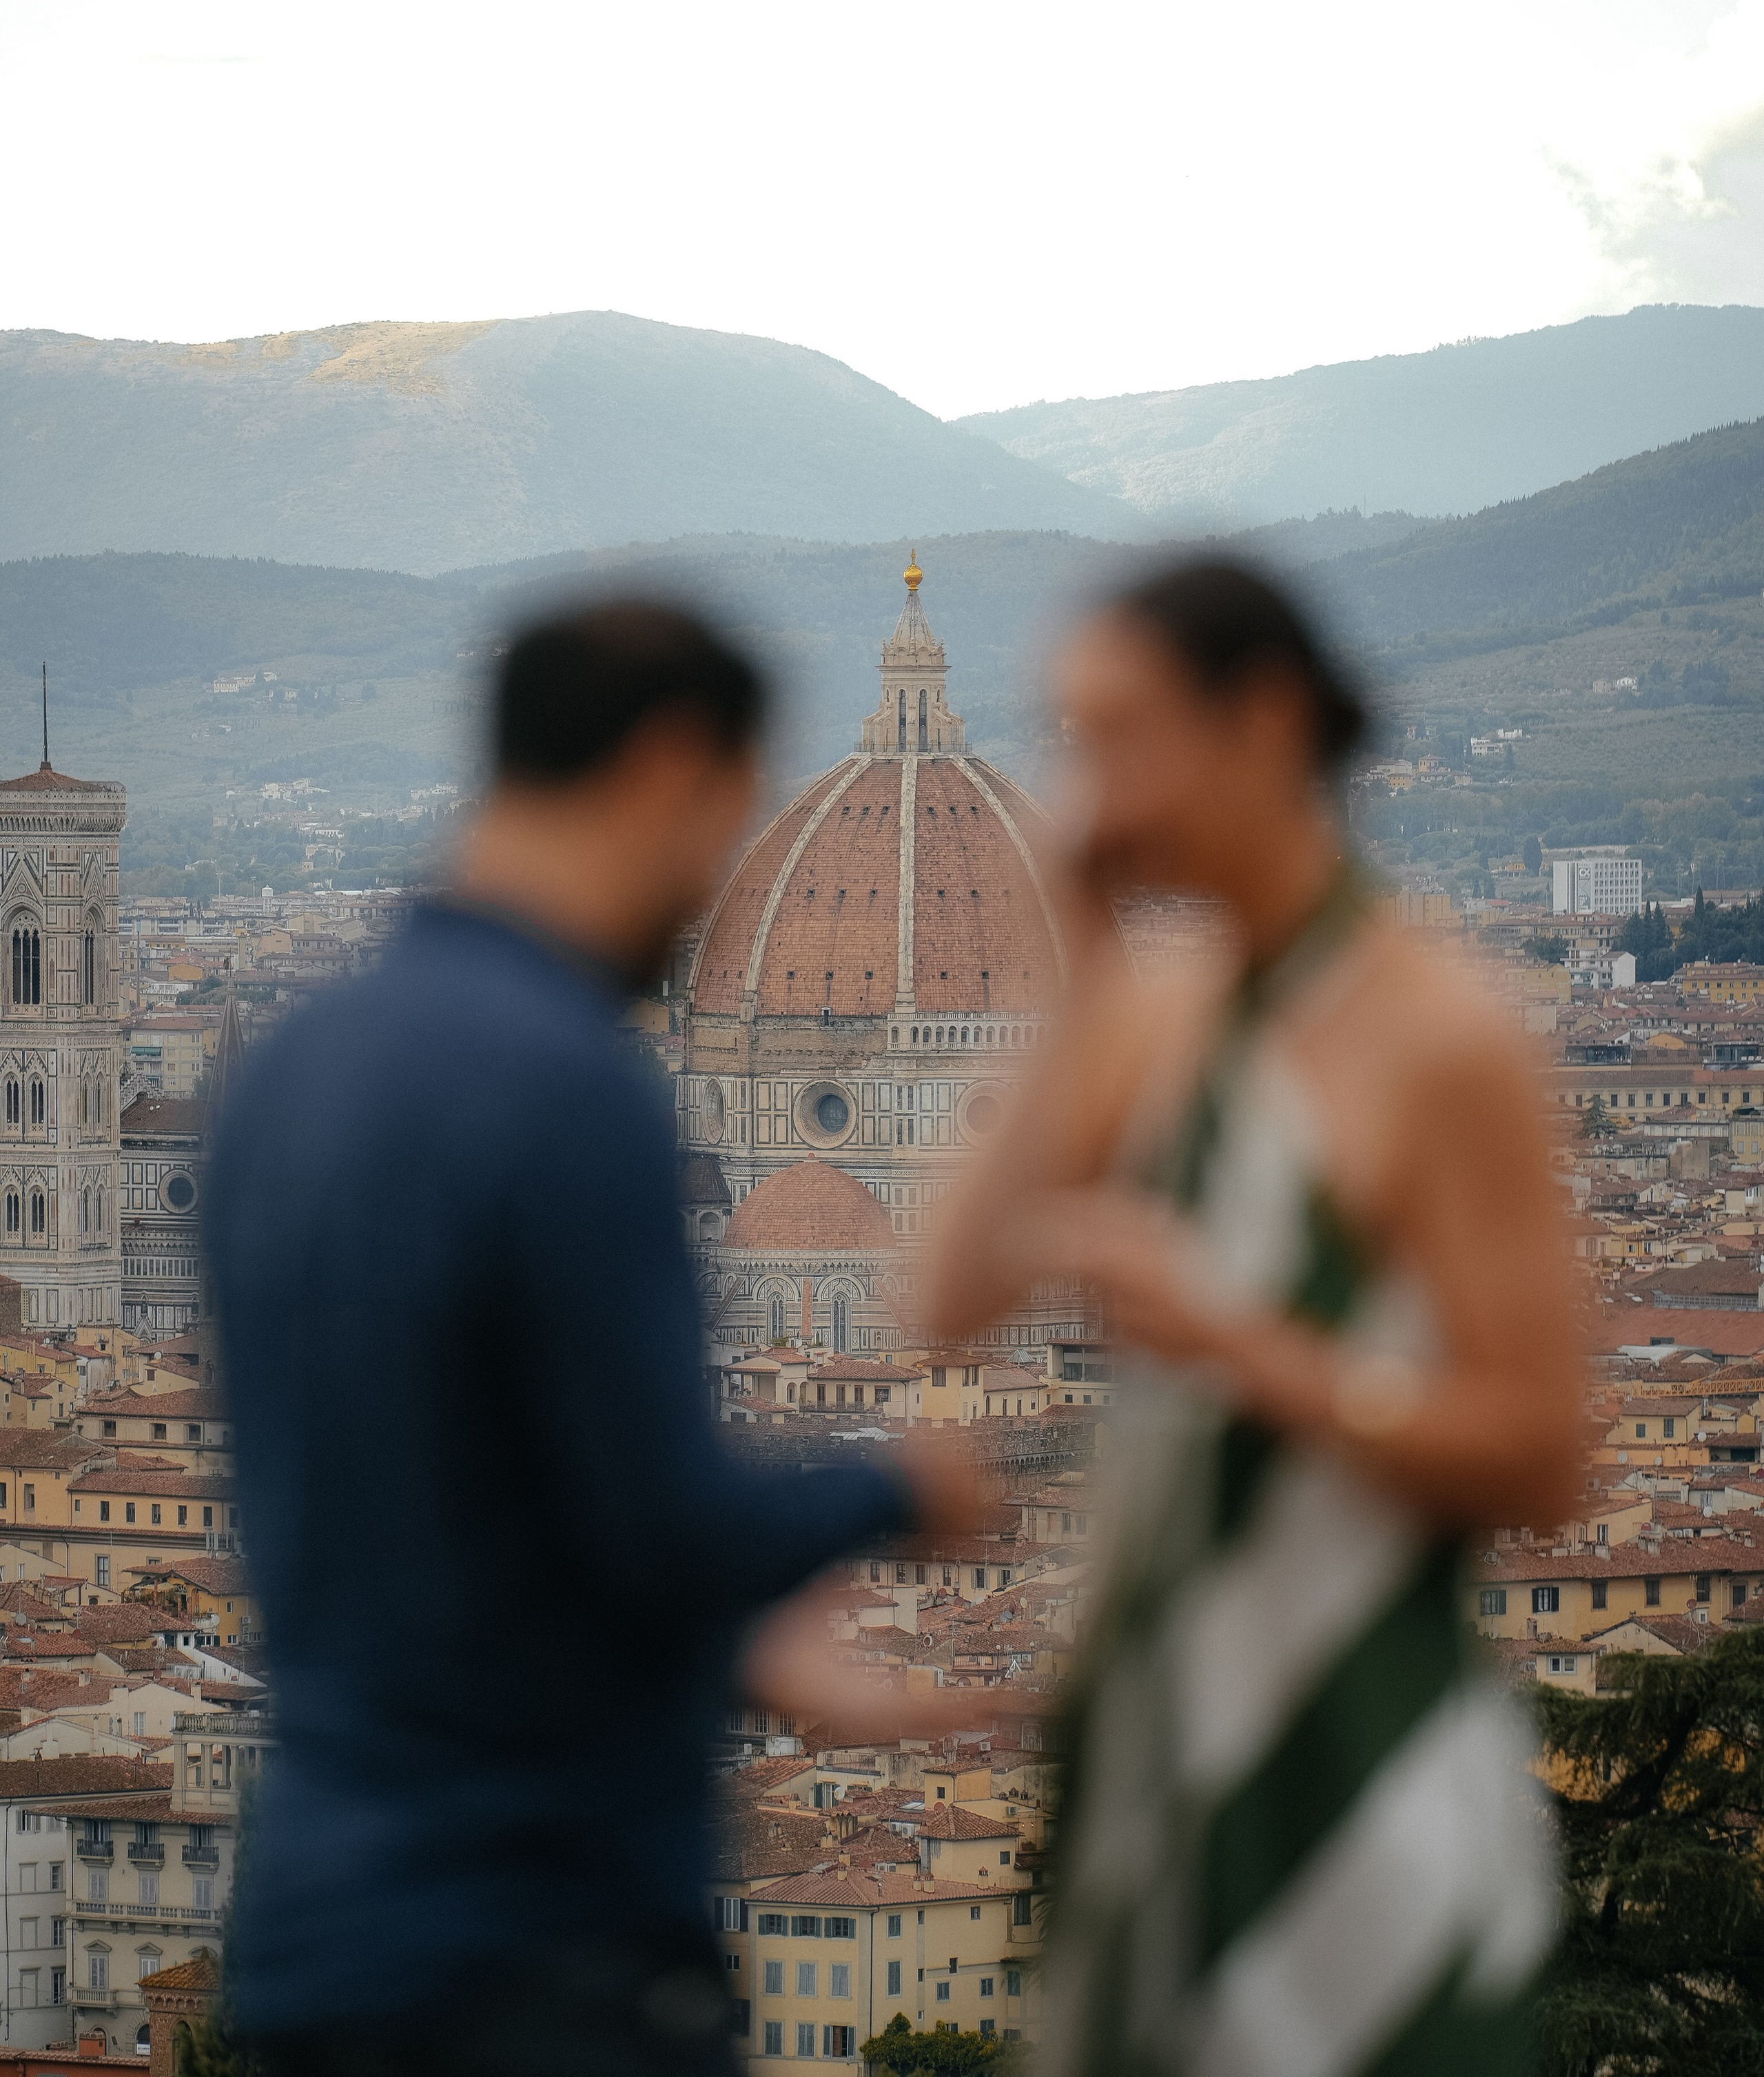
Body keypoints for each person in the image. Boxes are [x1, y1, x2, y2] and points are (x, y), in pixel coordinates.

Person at [206, 598, 970, 2077]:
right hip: (535, 1944)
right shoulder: (566, 1085)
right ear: (672, 766)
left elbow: (453, 1509)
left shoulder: (289, 1069)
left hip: (310, 1945)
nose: (713, 889)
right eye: (725, 826)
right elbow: (662, 1525)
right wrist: (900, 1485)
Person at [930, 557, 1579, 2077]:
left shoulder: (1440, 1033)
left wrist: (1242, 1351)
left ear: (1267, 721)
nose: (1086, 789)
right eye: (1065, 742)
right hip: (1150, 1760)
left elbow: (1544, 1457)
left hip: (1363, 1761)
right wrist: (1070, 946)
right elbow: (953, 1298)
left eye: (1118, 737)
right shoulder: (1154, 1011)